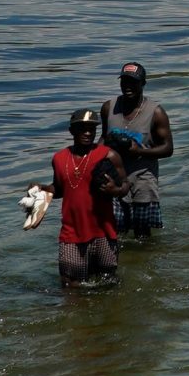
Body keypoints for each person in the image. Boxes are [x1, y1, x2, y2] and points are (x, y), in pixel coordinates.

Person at [39, 109, 127, 286]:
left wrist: (115, 190)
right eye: (82, 128)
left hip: (104, 231)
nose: (87, 133)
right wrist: (41, 190)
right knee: (70, 284)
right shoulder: (59, 158)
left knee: (107, 283)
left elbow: (126, 185)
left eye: (91, 129)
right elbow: (60, 188)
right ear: (72, 131)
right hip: (72, 233)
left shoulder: (109, 155)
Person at [98, 64, 173, 240]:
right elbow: (103, 137)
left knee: (142, 234)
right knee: (114, 230)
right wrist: (94, 160)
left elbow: (168, 148)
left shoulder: (156, 112)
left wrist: (140, 151)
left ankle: (142, 263)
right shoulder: (109, 107)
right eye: (124, 81)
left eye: (133, 82)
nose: (127, 86)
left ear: (143, 83)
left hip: (143, 176)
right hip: (115, 176)